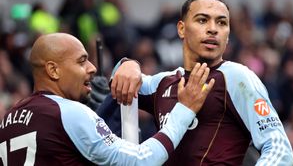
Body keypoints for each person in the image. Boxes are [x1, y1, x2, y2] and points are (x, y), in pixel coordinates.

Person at [110, 0, 293, 165]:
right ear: (181, 29)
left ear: (228, 35)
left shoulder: (238, 78)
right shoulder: (162, 83)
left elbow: (280, 149)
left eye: (222, 23)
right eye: (202, 20)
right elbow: (117, 81)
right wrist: (128, 64)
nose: (213, 29)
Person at [0, 33, 214, 165]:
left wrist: (127, 64)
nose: (92, 68)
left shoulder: (7, 119)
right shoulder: (68, 112)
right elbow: (142, 160)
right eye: (82, 61)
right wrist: (184, 110)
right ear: (53, 70)